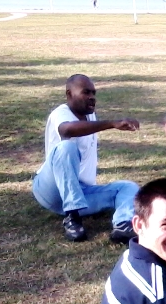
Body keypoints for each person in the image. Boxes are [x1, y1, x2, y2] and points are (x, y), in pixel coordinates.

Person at [32, 74, 140, 244]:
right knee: (66, 147)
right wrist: (112, 124)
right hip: (50, 190)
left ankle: (123, 225)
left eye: (94, 93)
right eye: (86, 92)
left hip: (83, 191)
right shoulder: (60, 113)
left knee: (128, 187)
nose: (92, 97)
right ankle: (72, 217)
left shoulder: (90, 116)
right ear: (69, 94)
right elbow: (67, 130)